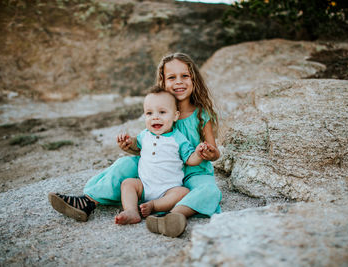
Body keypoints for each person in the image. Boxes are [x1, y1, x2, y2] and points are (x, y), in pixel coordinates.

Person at [48, 52, 222, 237]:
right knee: (124, 165)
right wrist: (129, 147)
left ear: (194, 79)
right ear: (163, 82)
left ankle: (174, 215)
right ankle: (88, 202)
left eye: (185, 76)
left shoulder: (201, 115)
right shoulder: (157, 112)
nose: (178, 82)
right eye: (172, 77)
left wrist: (209, 153)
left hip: (193, 171)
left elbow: (214, 151)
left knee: (210, 190)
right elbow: (144, 147)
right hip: (158, 168)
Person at [114, 87, 204, 232]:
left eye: (162, 112)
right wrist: (127, 141)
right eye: (149, 113)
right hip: (144, 187)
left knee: (183, 192)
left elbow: (190, 159)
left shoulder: (178, 138)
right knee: (128, 183)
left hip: (168, 190)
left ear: (175, 116)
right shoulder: (145, 135)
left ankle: (154, 206)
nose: (155, 117)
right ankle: (132, 211)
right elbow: (135, 145)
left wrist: (199, 154)